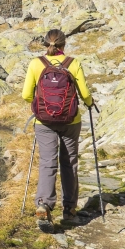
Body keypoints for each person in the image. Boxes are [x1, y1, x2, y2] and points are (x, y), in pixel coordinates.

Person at [21, 28, 94, 232]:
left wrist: (41, 103)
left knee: (47, 163)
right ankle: (69, 209)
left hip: (44, 122)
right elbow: (85, 94)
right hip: (71, 121)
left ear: (46, 44)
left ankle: (44, 204)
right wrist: (89, 102)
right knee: (70, 162)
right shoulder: (73, 63)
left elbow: (26, 95)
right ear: (64, 45)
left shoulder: (36, 64)